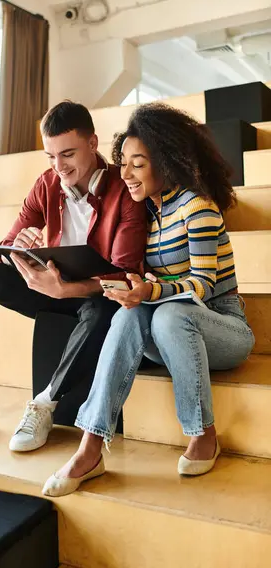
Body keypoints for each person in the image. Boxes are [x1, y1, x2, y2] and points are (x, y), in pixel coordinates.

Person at [42, 102, 255, 497]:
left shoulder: (198, 209)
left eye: (137, 164)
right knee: (128, 317)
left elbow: (203, 287)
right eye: (122, 162)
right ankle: (90, 446)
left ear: (166, 162)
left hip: (222, 329)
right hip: (168, 329)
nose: (125, 174)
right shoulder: (148, 214)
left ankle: (203, 432)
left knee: (170, 315)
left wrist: (150, 290)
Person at [0, 100, 147, 450]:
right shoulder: (48, 183)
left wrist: (67, 289)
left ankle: (44, 404)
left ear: (93, 144)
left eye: (67, 154)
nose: (59, 167)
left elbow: (124, 274)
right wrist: (17, 249)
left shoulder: (124, 192)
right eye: (50, 157)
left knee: (104, 310)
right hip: (48, 286)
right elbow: (10, 240)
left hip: (94, 297)